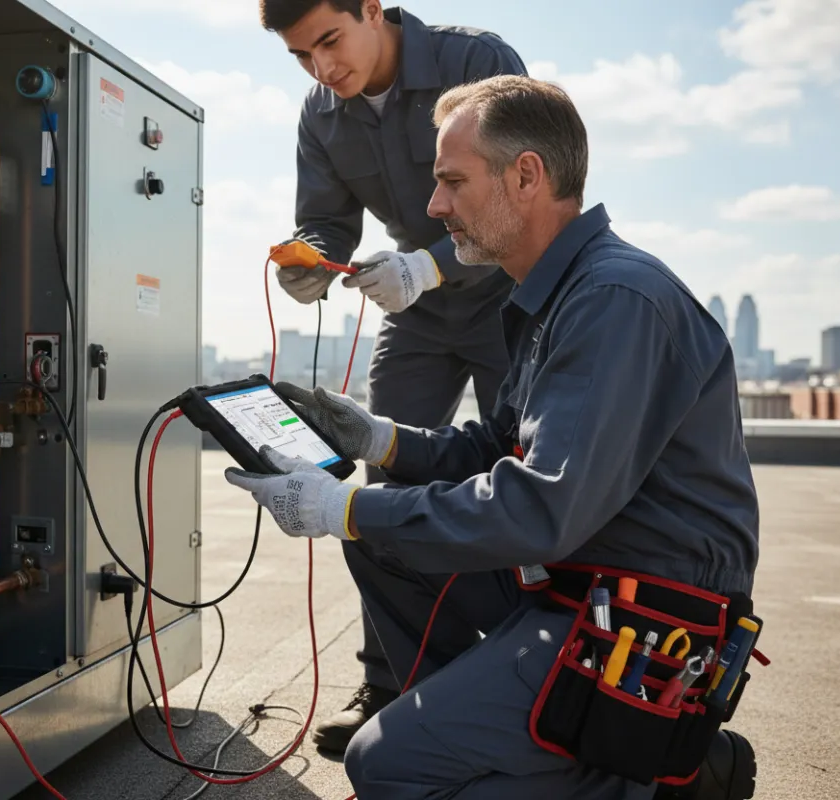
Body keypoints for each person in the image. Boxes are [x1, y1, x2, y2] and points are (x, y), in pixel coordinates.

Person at [225, 75, 761, 800]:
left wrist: (339, 506)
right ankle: (497, 735)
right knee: (382, 544)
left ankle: (659, 775)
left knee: (385, 768)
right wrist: (381, 439)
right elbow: (500, 448)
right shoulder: (555, 292)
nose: (433, 206)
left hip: (645, 617)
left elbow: (538, 509)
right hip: (583, 577)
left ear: (527, 176)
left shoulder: (612, 300)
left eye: (451, 181)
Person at [258, 0, 528, 752]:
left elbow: (518, 197)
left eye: (331, 41)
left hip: (511, 295)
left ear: (373, 9)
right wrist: (310, 258)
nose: (322, 68)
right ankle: (395, 688)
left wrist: (431, 265)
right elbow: (329, 222)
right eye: (302, 56)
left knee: (524, 474)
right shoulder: (321, 111)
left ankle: (537, 671)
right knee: (384, 490)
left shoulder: (476, 63)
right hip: (418, 309)